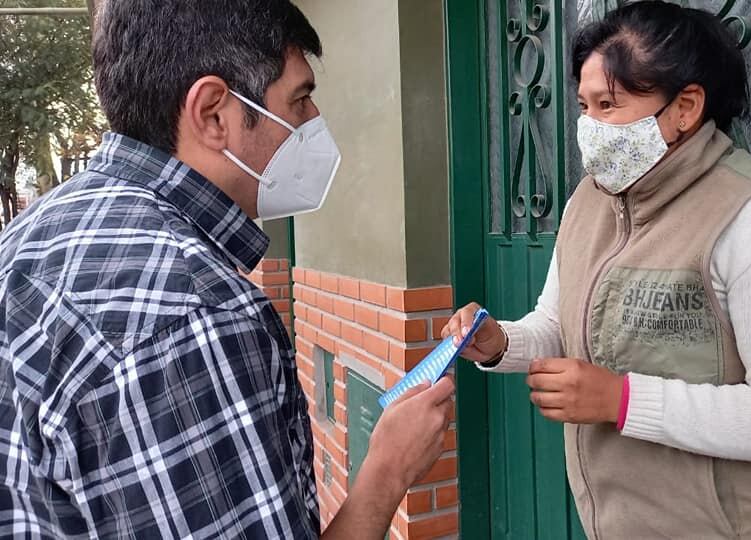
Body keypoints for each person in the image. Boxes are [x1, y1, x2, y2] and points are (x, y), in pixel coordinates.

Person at [0, 1, 452, 539]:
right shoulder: (194, 315)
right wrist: (387, 471)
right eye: (301, 99)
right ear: (214, 113)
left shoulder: (40, 231)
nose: (314, 124)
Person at [444, 2, 751, 538]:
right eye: (584, 105)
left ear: (685, 107)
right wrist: (498, 344)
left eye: (609, 104)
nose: (589, 126)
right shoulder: (587, 203)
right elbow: (559, 326)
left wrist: (621, 400)